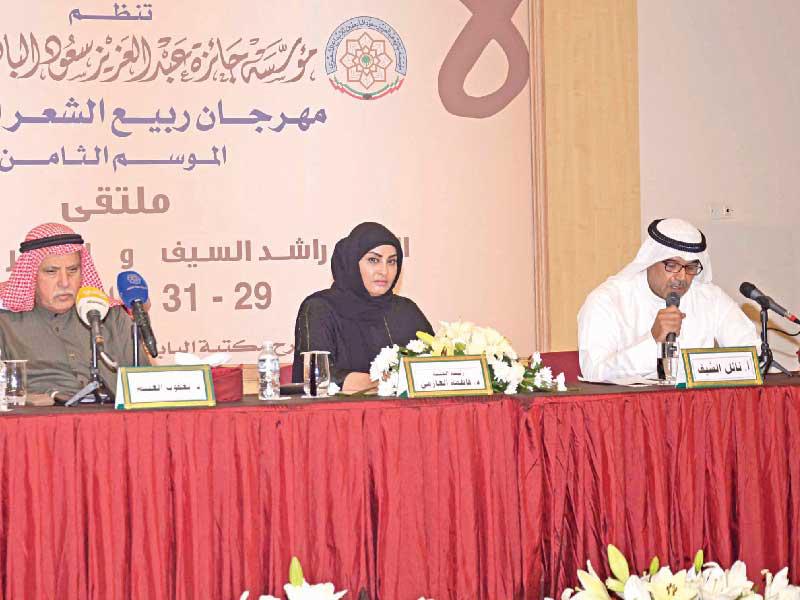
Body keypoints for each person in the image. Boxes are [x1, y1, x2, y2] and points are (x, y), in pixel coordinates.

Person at [577, 218, 759, 381]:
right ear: (650, 260)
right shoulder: (607, 301)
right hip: (632, 407)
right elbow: (594, 372)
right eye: (672, 265)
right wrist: (653, 340)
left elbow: (754, 355)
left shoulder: (710, 298)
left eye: (690, 267)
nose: (681, 277)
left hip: (699, 405)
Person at [0, 223, 139, 401]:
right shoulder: (6, 322)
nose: (65, 282)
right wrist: (27, 399)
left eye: (73, 270)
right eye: (51, 271)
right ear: (31, 275)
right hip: (43, 416)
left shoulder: (112, 316)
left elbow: (149, 383)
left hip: (110, 414)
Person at [292, 222, 433, 391]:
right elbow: (320, 377)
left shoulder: (407, 311)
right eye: (373, 260)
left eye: (391, 261)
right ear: (351, 262)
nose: (384, 271)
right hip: (344, 408)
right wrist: (388, 382)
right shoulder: (319, 308)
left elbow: (436, 366)